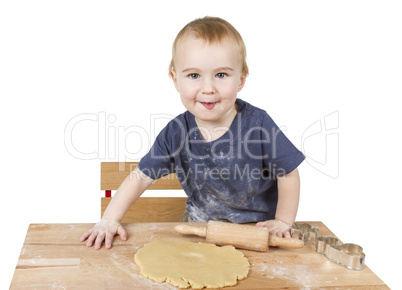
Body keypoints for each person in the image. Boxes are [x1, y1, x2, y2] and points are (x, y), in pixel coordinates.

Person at [80, 16, 305, 250]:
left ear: (241, 79)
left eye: (221, 75)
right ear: (176, 79)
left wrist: (282, 221)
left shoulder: (259, 124)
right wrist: (109, 220)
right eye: (194, 76)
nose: (208, 88)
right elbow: (140, 177)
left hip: (257, 230)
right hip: (199, 227)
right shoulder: (176, 133)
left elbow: (288, 173)